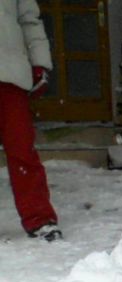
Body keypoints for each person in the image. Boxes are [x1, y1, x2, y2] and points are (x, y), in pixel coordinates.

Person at [1, 0, 61, 241]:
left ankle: (40, 219)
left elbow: (30, 21)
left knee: (22, 151)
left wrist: (40, 63)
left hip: (11, 76)